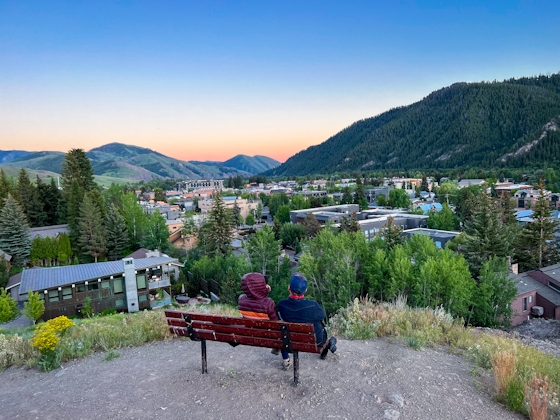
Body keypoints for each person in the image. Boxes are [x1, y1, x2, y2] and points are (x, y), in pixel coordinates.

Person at [277, 273, 337, 369]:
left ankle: (328, 345)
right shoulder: (312, 305)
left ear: (289, 288)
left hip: (290, 341)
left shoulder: (282, 305)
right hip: (313, 342)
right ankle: (327, 347)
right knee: (320, 327)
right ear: (305, 290)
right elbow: (322, 315)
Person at [238, 272, 282, 354]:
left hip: (248, 333)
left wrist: (264, 291)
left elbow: (256, 298)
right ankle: (276, 347)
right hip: (265, 335)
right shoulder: (268, 303)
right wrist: (265, 291)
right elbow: (276, 322)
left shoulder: (241, 299)